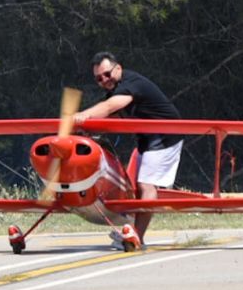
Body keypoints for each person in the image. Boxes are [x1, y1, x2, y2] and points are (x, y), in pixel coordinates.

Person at [74, 52, 183, 250]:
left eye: (107, 74)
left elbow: (110, 107)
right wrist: (83, 130)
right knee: (134, 188)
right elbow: (110, 115)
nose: (104, 80)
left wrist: (82, 116)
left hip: (165, 135)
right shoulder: (116, 90)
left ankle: (137, 237)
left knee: (146, 186)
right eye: (99, 79)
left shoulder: (130, 84)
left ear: (118, 68)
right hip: (146, 139)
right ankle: (131, 231)